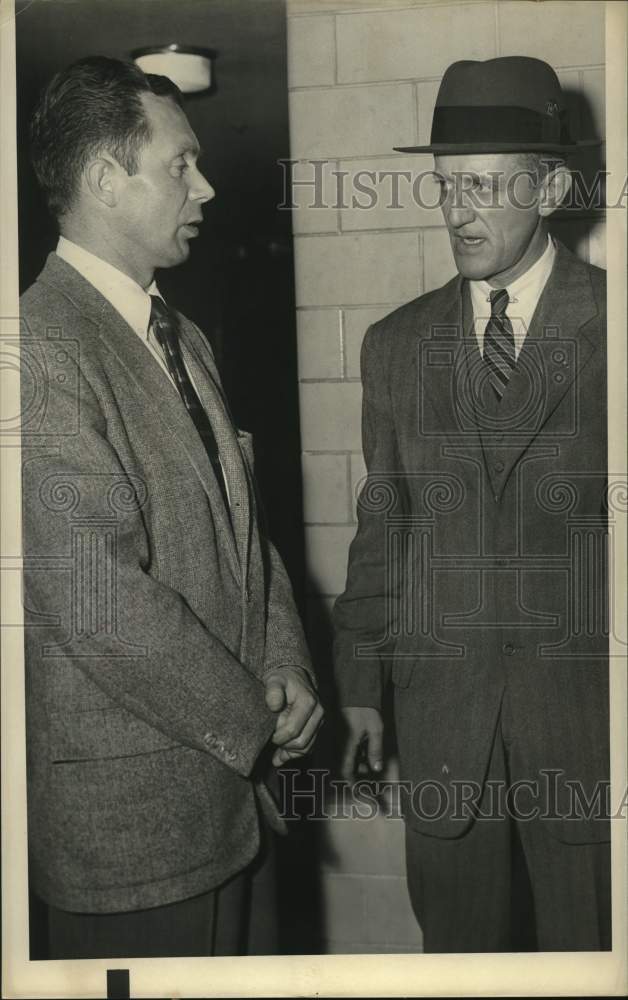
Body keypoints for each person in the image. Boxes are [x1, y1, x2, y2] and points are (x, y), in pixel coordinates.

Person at [20, 55, 323, 960]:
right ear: (106, 181)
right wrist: (255, 719)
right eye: (181, 164)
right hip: (134, 838)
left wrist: (288, 661)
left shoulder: (179, 334)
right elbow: (97, 598)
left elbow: (245, 531)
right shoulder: (35, 347)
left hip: (235, 811)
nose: (208, 184)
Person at [333, 56, 609, 952]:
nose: (458, 211)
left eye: (485, 187)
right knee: (461, 962)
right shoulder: (395, 346)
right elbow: (385, 524)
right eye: (446, 186)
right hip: (445, 717)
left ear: (554, 185)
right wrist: (363, 688)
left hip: (589, 725)